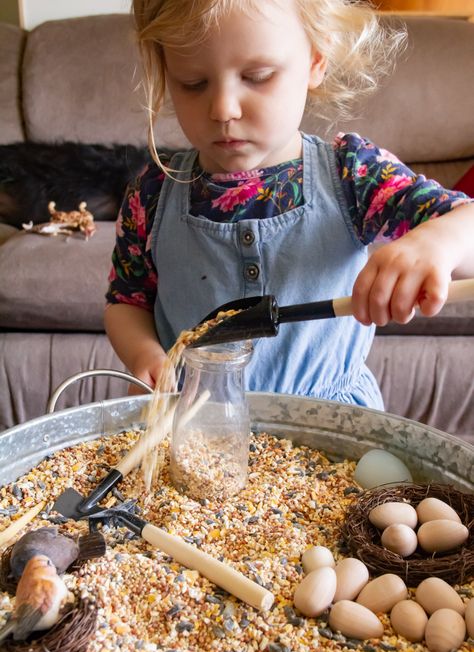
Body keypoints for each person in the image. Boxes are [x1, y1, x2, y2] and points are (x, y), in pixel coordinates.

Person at [105, 0, 474, 408]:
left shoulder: (354, 173)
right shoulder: (153, 192)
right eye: (193, 82)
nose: (223, 109)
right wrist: (144, 354)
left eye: (257, 76)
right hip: (196, 427)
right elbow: (126, 300)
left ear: (316, 60)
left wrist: (437, 243)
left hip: (333, 428)